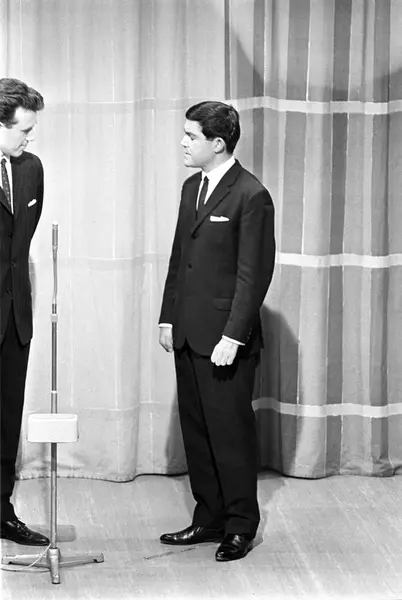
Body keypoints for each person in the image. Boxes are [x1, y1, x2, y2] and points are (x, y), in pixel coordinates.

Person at [158, 101, 275, 562]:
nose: (183, 143)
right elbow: (179, 257)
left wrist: (234, 336)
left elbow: (253, 275)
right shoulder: (192, 187)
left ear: (218, 143)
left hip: (226, 340)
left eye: (191, 136)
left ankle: (240, 526)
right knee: (197, 432)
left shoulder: (251, 195)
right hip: (187, 333)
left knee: (230, 434)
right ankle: (209, 517)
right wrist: (168, 317)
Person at [0, 78, 49, 546]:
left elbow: (22, 241)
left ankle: (1, 510)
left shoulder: (31, 169)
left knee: (5, 422)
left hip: (15, 317)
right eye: (23, 130)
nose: (29, 139)